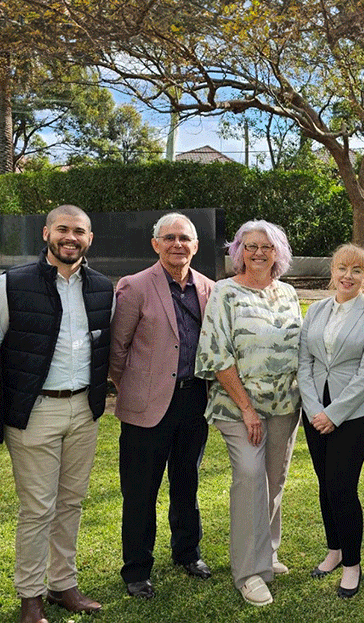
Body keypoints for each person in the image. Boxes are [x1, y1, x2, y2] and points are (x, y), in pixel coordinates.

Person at [0, 205, 113, 623]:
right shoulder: (9, 285)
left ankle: (63, 585)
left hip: (84, 411)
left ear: (89, 238)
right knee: (38, 508)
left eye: (79, 230)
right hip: (35, 411)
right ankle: (31, 596)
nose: (70, 237)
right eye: (63, 229)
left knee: (71, 503)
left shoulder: (102, 287)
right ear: (46, 233)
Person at [195, 220, 302, 607]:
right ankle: (249, 572)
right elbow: (216, 353)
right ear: (238, 250)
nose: (258, 253)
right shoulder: (224, 292)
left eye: (267, 247)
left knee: (274, 480)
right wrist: (246, 408)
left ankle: (268, 551)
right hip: (238, 407)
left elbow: (299, 348)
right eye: (250, 246)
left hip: (285, 406)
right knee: (250, 477)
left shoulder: (288, 293)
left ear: (278, 253)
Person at [109, 213, 215, 600]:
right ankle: (137, 569)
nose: (177, 244)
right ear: (155, 244)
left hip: (193, 403)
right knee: (140, 492)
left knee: (186, 484)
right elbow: (117, 350)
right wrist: (135, 389)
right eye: (168, 237)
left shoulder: (209, 288)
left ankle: (188, 552)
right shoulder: (134, 286)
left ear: (196, 245)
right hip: (145, 407)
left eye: (184, 238)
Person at [297, 243, 364, 599]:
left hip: (355, 413)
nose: (347, 276)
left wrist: (334, 414)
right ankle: (334, 550)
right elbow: (304, 361)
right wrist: (312, 408)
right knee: (325, 483)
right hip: (314, 409)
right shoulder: (316, 310)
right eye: (341, 268)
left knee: (341, 485)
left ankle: (352, 563)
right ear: (332, 272)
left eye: (356, 270)